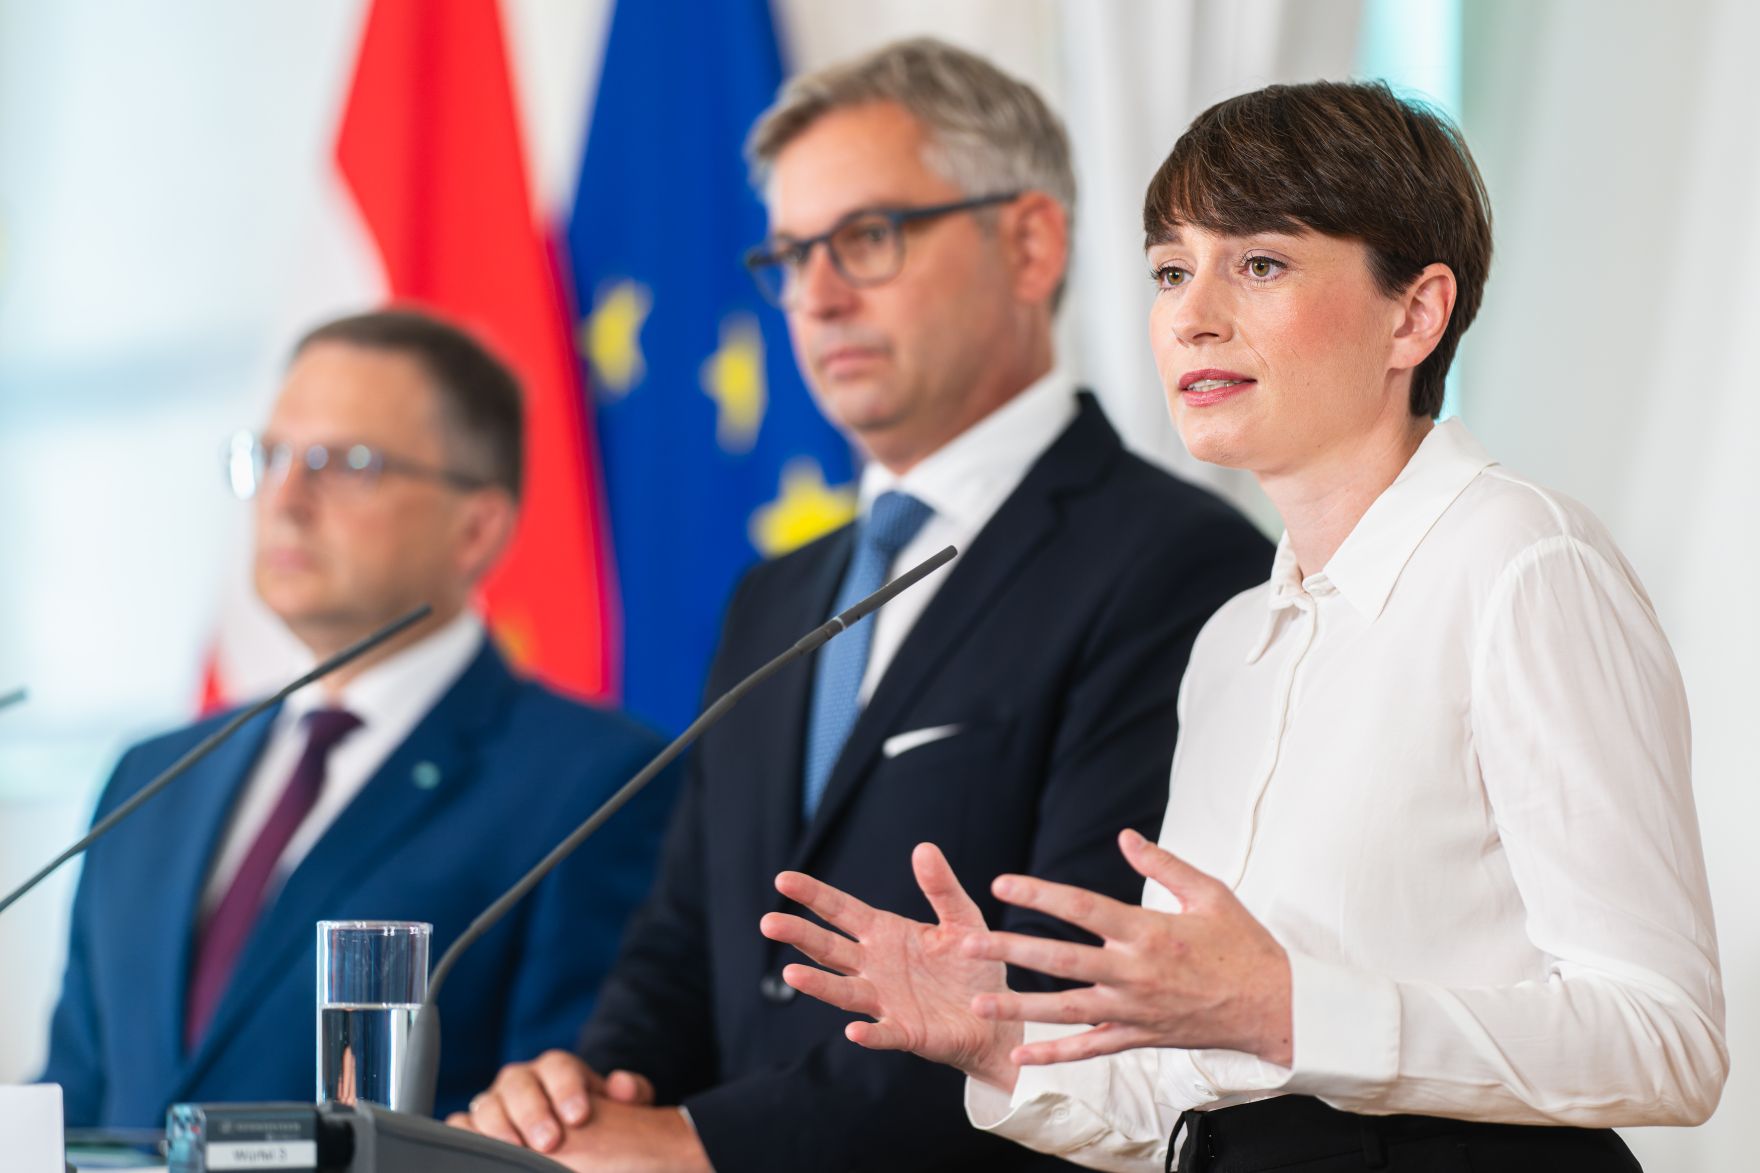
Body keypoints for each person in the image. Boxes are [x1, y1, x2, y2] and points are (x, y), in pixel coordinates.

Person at [763, 80, 1727, 1172]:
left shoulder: (1519, 561)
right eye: (1170, 270)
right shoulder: (1230, 642)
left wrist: (1291, 1010)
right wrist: (995, 1039)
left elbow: (1667, 1043)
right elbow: (1200, 1101)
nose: (1191, 313)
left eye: (1258, 263)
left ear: (1413, 313)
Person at [452, 38, 1270, 1173]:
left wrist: (696, 1143)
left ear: (1029, 242)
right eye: (789, 256)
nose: (818, 295)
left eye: (866, 239)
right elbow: (685, 938)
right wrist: (591, 1090)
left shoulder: (1175, 565)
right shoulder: (775, 595)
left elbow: (1073, 994)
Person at [42, 309, 679, 1127]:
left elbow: (558, 1123)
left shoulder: (600, 784)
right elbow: (75, 1105)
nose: (286, 498)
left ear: (476, 527)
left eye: (345, 463)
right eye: (271, 456)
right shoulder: (152, 777)